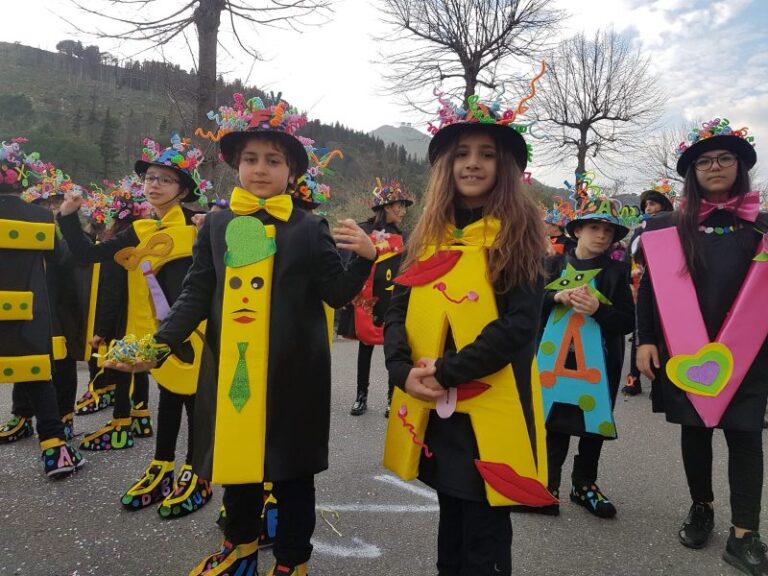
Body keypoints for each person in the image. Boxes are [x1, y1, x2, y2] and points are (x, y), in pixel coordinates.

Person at [109, 94, 376, 576]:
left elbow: (336, 295)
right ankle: (239, 546)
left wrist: (364, 259)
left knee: (292, 471)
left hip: (294, 371)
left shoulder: (308, 227)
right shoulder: (215, 225)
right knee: (238, 461)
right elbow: (194, 294)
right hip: (231, 364)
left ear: (292, 171)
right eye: (250, 159)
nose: (260, 169)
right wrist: (158, 346)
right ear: (235, 165)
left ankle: (293, 561)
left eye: (273, 160)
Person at [382, 83, 552, 576]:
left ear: (506, 168)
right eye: (461, 154)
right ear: (445, 166)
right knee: (452, 510)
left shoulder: (519, 234)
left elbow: (520, 324)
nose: (472, 163)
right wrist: (400, 370)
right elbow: (397, 309)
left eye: (486, 154)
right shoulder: (427, 237)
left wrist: (452, 370)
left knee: (485, 521)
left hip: (492, 403)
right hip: (438, 403)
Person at [57, 133, 214, 519]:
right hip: (156, 331)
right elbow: (85, 254)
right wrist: (68, 216)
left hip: (194, 330)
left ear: (183, 189)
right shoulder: (139, 231)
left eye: (165, 179)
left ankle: (198, 472)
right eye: (150, 179)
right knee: (169, 399)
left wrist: (215, 225)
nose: (154, 185)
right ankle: (162, 466)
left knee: (192, 400)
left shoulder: (200, 225)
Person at [636, 118, 768, 575]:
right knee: (696, 433)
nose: (715, 167)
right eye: (704, 161)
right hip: (687, 351)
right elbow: (650, 290)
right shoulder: (667, 227)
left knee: (747, 438)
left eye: (724, 158)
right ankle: (702, 507)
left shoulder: (763, 227)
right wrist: (646, 339)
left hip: (749, 354)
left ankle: (745, 534)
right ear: (692, 171)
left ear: (740, 165)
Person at [535, 191, 634, 518]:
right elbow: (529, 305)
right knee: (554, 422)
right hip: (554, 360)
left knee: (593, 425)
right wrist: (555, 297)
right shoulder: (552, 265)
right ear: (577, 230)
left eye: (608, 230)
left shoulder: (616, 273)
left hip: (600, 364)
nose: (602, 235)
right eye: (594, 228)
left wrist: (599, 309)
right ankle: (547, 485)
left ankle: (584, 484)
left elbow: (627, 321)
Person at [0, 138, 85, 478]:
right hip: (27, 314)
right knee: (37, 377)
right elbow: (63, 260)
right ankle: (54, 451)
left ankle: (21, 421)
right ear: (22, 179)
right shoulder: (39, 218)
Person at [77, 176, 154, 450]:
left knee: (124, 369)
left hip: (124, 317)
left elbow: (110, 292)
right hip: (145, 313)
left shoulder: (119, 244)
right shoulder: (149, 236)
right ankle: (141, 419)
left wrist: (102, 331)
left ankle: (121, 427)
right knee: (140, 367)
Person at [340, 178, 411, 417]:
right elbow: (349, 263)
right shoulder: (363, 230)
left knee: (393, 349)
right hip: (366, 301)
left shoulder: (405, 237)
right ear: (386, 207)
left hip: (393, 300)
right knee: (366, 346)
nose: (402, 211)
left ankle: (393, 398)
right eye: (398, 206)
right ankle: (361, 396)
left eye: (403, 206)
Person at [621, 180, 675, 397]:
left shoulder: (675, 226)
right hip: (639, 289)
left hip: (667, 291)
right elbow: (628, 259)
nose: (649, 209)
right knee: (639, 335)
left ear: (664, 205)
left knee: (661, 336)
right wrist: (629, 274)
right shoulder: (638, 231)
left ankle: (658, 384)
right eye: (646, 206)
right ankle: (633, 381)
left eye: (653, 204)